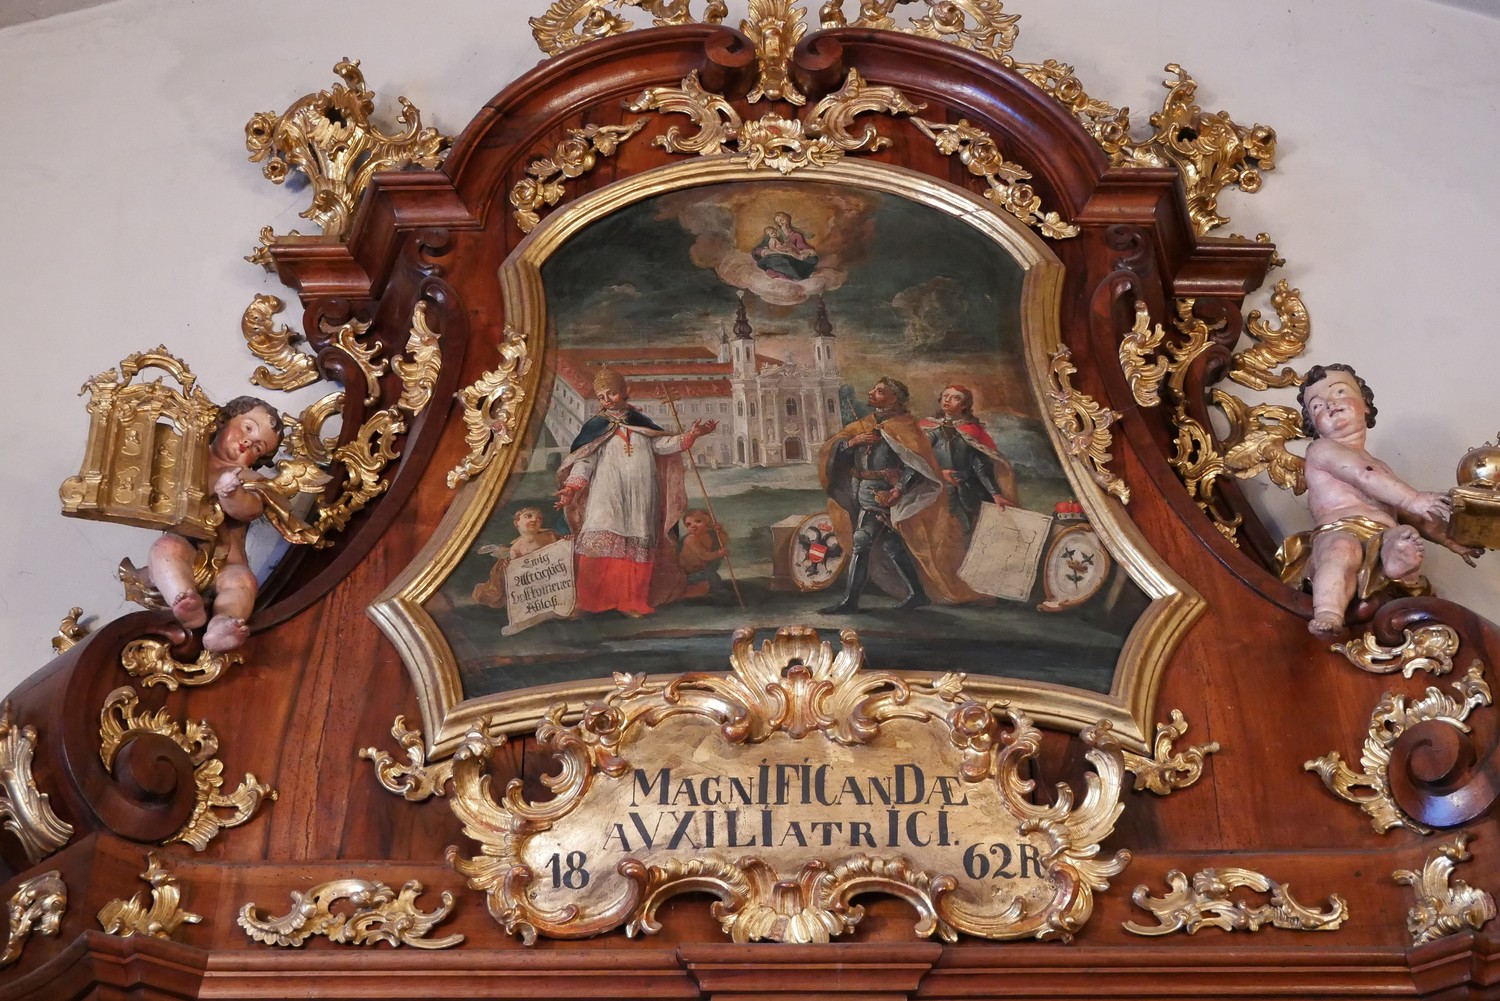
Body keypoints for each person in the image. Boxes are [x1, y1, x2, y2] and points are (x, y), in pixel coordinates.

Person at [1282, 363, 1477, 636]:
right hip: (1339, 529)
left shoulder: (1381, 467)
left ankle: (1396, 562)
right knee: (1341, 549)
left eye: (1340, 392)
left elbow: (1409, 514)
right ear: (1313, 425)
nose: (1329, 405)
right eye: (1316, 406)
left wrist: (1451, 538)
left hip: (1381, 534)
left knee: (1403, 533)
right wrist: (1414, 498)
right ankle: (1328, 612)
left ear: (1365, 405)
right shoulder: (1322, 449)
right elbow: (1363, 475)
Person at [555, 367, 717, 617]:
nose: (607, 400)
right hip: (607, 495)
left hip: (641, 495)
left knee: (636, 544)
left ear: (624, 392)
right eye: (601, 396)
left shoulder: (640, 422)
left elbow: (662, 445)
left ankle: (631, 601)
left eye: (611, 393)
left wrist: (691, 435)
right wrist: (571, 487)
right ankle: (589, 601)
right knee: (599, 541)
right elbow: (585, 461)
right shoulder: (596, 426)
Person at [818, 377, 984, 613]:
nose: (871, 393)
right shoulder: (864, 424)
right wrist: (853, 442)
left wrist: (898, 489)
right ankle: (918, 593)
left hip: (886, 494)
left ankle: (850, 601)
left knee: (862, 540)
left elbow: (917, 466)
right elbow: (836, 451)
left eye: (879, 391)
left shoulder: (905, 427)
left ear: (894, 397)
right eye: (873, 389)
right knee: (892, 544)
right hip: (861, 490)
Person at [145, 396, 283, 652]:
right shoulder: (185, 462)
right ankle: (184, 602)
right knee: (164, 549)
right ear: (222, 421)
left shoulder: (245, 476)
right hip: (186, 550)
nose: (248, 442)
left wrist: (231, 493)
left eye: (258, 448)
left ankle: (221, 625)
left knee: (243, 582)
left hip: (228, 563)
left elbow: (250, 509)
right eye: (247, 428)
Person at [919, 384, 1019, 537]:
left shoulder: (972, 431)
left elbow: (980, 464)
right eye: (945, 396)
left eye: (955, 398)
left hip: (970, 491)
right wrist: (939, 473)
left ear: (964, 405)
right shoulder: (929, 428)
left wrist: (995, 494)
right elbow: (919, 460)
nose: (948, 400)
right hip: (938, 492)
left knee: (978, 531)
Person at [472, 506, 564, 608]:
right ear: (517, 523)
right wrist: (508, 566)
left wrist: (566, 539)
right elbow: (515, 575)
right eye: (528, 516)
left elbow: (564, 548)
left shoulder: (550, 535)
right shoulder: (516, 549)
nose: (534, 519)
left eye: (539, 518)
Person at [678, 508, 729, 598]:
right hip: (687, 573)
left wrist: (720, 531)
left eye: (698, 521)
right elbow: (703, 555)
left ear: (708, 523)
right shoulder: (691, 538)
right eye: (689, 524)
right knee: (709, 577)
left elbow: (724, 541)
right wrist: (718, 553)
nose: (693, 526)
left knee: (713, 576)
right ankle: (716, 591)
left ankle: (715, 590)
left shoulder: (710, 535)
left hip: (702, 569)